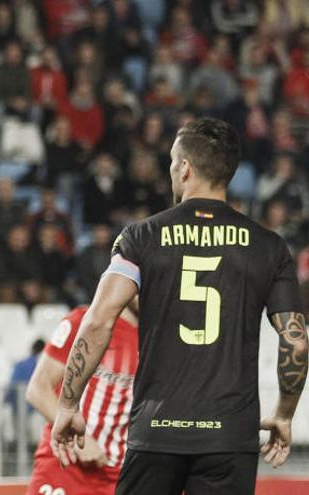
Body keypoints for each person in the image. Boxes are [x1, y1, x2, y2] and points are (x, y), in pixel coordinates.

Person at [51, 118, 308, 495]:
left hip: (156, 430)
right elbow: (296, 343)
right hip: (230, 435)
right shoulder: (269, 247)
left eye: (173, 162)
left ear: (184, 167)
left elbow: (98, 321)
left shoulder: (141, 237)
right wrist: (284, 413)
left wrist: (68, 405)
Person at [26, 305, 138, 495]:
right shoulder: (85, 321)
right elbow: (38, 389)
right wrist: (82, 440)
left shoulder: (161, 336)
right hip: (66, 464)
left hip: (121, 473)